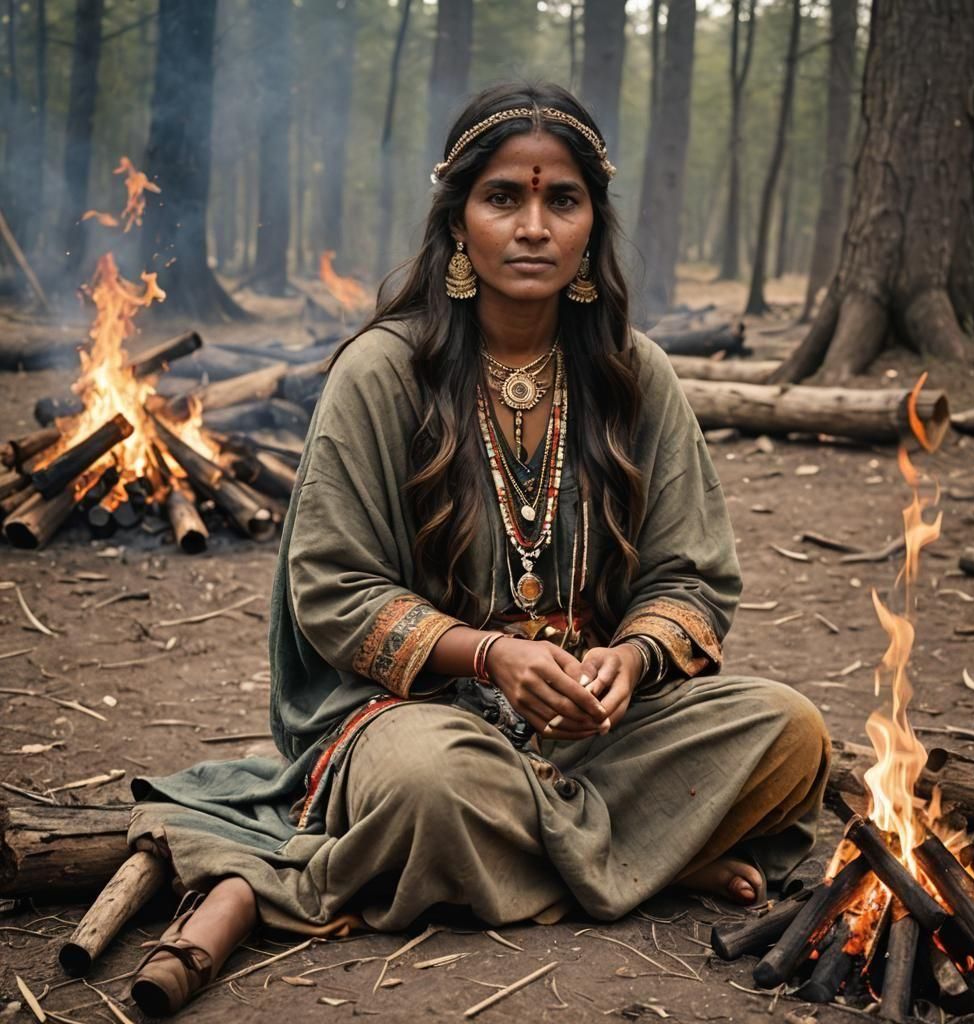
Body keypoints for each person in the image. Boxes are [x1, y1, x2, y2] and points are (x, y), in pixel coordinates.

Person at [127, 82, 831, 1017]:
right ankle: (655, 855)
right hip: (416, 720)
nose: (533, 225)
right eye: (504, 197)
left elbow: (689, 574)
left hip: (592, 733)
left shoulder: (634, 372)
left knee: (792, 733)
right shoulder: (382, 372)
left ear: (590, 225)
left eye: (561, 200)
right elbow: (333, 591)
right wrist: (490, 653)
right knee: (432, 785)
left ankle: (575, 852)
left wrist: (632, 656)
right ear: (459, 217)